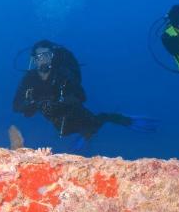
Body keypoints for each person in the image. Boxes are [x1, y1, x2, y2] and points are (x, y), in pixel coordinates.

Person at [12, 40, 157, 141]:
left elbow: (81, 96)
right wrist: (37, 104)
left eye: (47, 55)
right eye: (40, 56)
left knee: (93, 125)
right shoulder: (29, 79)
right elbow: (16, 106)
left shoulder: (62, 74)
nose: (44, 60)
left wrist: (59, 102)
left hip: (74, 113)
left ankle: (120, 118)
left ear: (52, 56)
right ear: (34, 60)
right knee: (68, 134)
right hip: (55, 122)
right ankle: (83, 136)